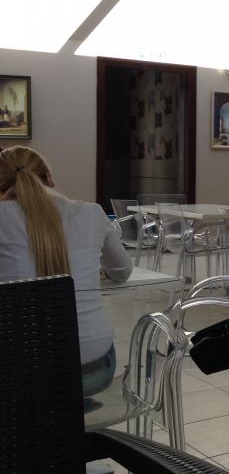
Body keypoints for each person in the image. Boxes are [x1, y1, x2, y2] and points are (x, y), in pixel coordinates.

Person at [0, 147, 132, 402]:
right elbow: (122, 271)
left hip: (21, 373)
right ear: (50, 178)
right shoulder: (92, 213)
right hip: (95, 367)